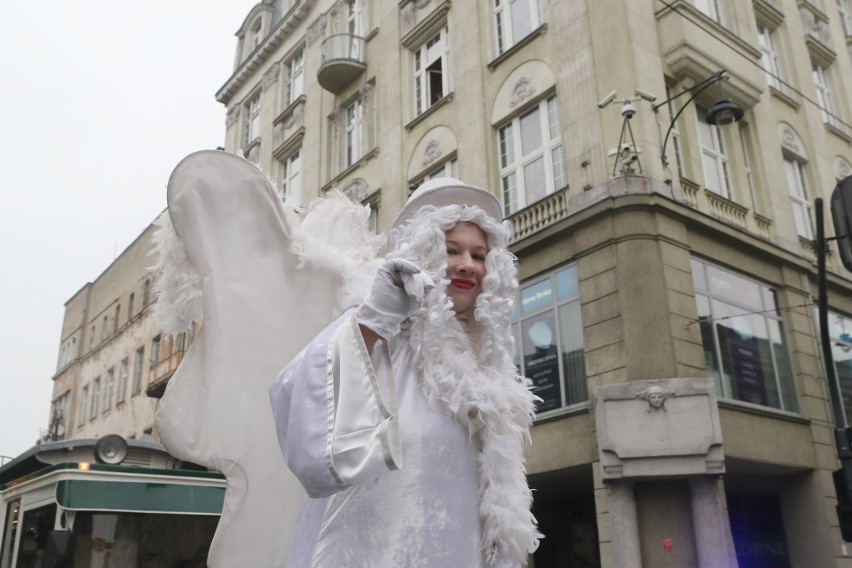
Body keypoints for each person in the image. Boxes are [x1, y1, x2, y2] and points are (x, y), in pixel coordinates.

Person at [269, 178, 542, 568]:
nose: (467, 264)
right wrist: (372, 321)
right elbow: (297, 396)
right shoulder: (380, 332)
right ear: (424, 255)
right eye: (451, 250)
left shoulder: (491, 376)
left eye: (479, 255)